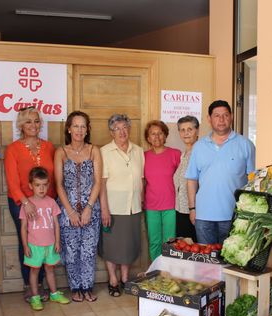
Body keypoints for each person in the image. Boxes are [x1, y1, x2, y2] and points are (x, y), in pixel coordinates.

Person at [4, 106, 56, 302]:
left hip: (46, 203)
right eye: (28, 121)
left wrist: (54, 202)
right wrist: (26, 203)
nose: (33, 125)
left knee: (46, 241)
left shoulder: (49, 146)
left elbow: (54, 176)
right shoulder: (13, 149)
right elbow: (12, 181)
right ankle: (30, 285)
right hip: (21, 202)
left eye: (36, 121)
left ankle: (42, 284)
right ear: (20, 125)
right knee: (28, 242)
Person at [185, 100, 255, 244]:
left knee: (231, 262)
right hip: (203, 216)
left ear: (232, 117)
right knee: (206, 262)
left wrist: (248, 212)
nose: (221, 120)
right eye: (216, 116)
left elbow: (253, 181)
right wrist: (192, 208)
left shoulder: (246, 145)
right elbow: (192, 180)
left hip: (235, 215)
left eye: (225, 115)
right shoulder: (198, 147)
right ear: (209, 119)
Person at [55, 111, 102, 302]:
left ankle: (87, 286)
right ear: (69, 128)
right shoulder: (61, 152)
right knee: (72, 251)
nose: (79, 130)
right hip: (68, 210)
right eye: (75, 126)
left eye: (83, 126)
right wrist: (71, 211)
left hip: (91, 209)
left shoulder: (94, 150)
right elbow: (58, 184)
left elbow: (98, 182)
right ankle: (75, 287)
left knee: (89, 251)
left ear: (88, 129)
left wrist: (89, 207)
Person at [99, 114, 144, 297]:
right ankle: (113, 280)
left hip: (133, 207)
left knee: (128, 246)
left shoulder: (138, 151)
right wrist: (104, 209)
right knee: (111, 246)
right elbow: (101, 183)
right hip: (112, 207)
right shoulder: (104, 152)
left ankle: (125, 278)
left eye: (125, 127)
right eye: (117, 128)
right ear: (111, 132)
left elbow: (142, 179)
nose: (122, 132)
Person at [20, 167, 69, 310]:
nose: (41, 189)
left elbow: (56, 224)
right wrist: (25, 246)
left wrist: (57, 241)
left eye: (44, 185)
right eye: (37, 185)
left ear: (48, 185)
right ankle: (35, 297)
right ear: (31, 186)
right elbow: (23, 227)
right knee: (34, 271)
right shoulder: (27, 204)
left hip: (50, 244)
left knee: (50, 269)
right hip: (34, 245)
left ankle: (54, 294)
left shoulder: (51, 202)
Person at [143, 120, 180, 261]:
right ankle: (155, 272)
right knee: (154, 242)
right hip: (151, 206)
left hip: (171, 205)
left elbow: (183, 179)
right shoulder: (144, 156)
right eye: (153, 134)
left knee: (170, 242)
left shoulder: (175, 154)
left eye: (160, 133)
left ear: (165, 136)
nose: (156, 137)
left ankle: (169, 273)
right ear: (148, 138)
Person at [173, 115, 200, 241]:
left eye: (190, 129)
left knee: (194, 249)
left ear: (197, 130)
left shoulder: (200, 152)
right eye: (182, 130)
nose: (186, 133)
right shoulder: (183, 154)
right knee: (184, 249)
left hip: (194, 211)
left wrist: (193, 208)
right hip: (181, 210)